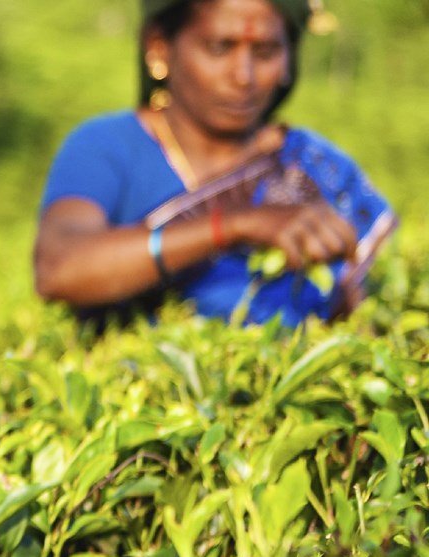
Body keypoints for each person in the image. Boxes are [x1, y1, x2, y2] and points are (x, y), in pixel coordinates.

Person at [34, 0, 395, 328]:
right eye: (220, 48)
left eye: (266, 51)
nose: (243, 76)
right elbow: (59, 269)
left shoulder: (317, 166)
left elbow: (370, 306)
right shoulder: (107, 147)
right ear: (159, 47)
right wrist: (234, 225)